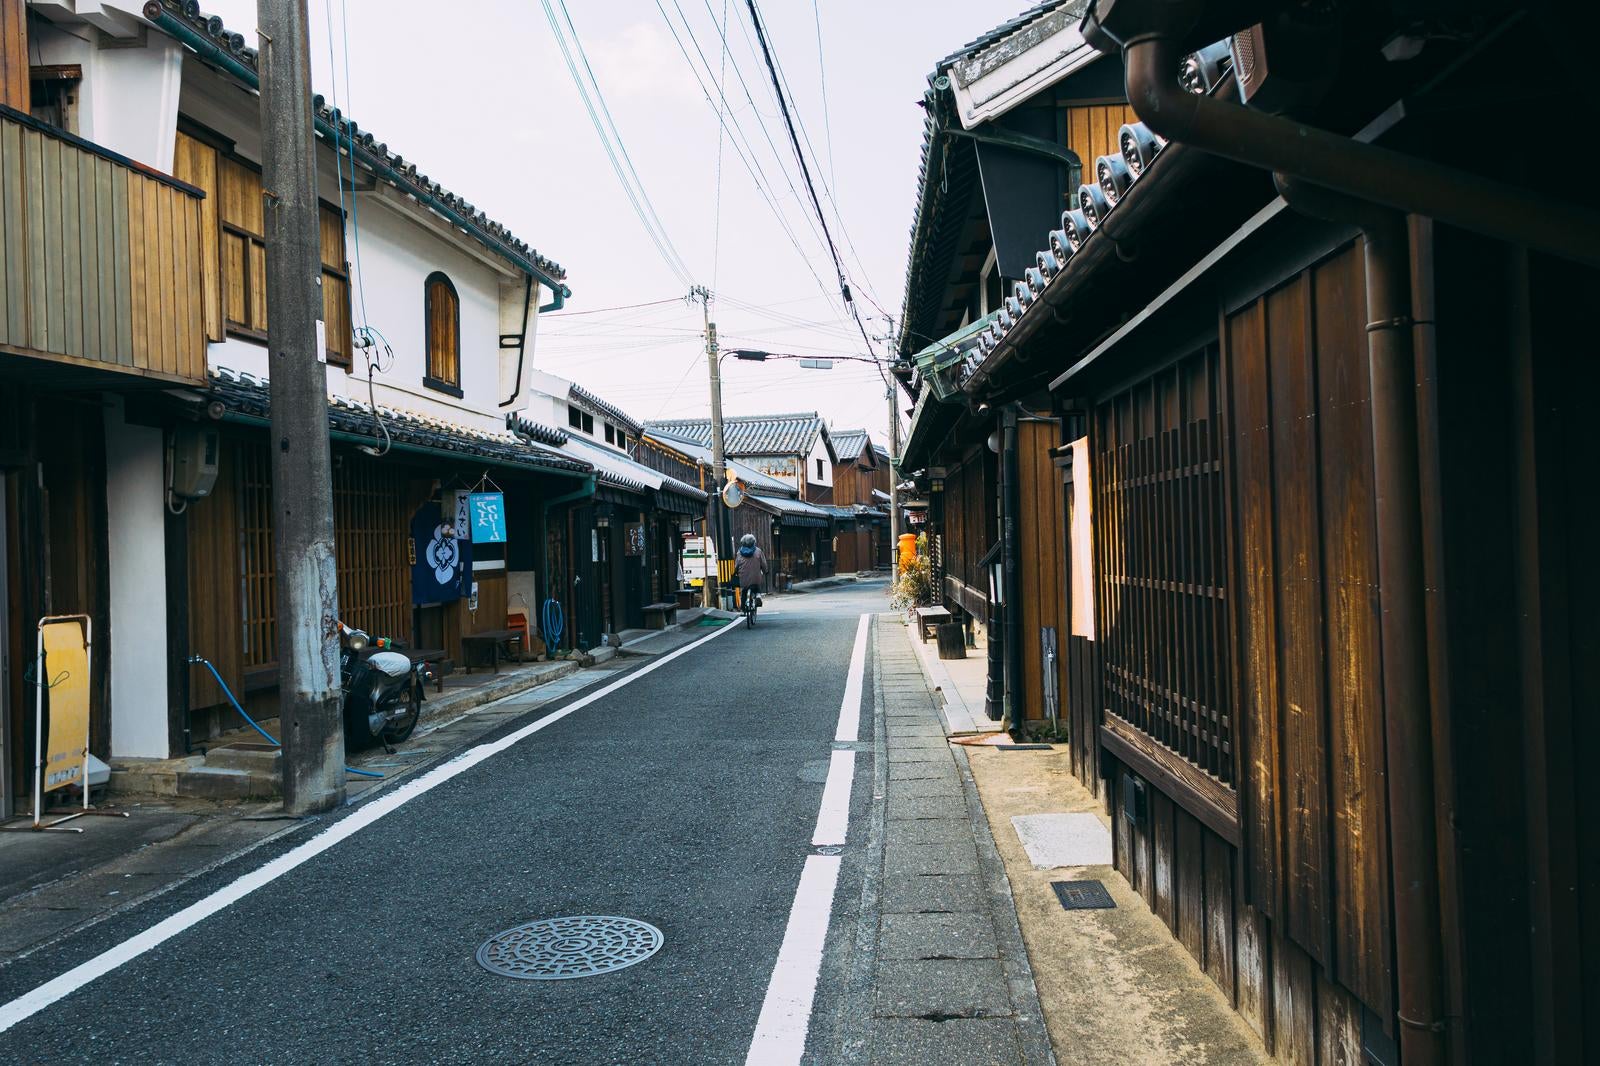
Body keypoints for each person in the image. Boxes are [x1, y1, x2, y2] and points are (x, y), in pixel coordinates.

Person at [734, 533, 768, 612]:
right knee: (757, 584)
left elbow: (736, 566)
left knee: (744, 592)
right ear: (753, 542)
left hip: (743, 578)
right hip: (755, 577)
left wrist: (734, 572)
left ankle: (743, 609)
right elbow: (763, 564)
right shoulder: (758, 551)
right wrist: (765, 571)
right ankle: (758, 595)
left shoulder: (739, 553)